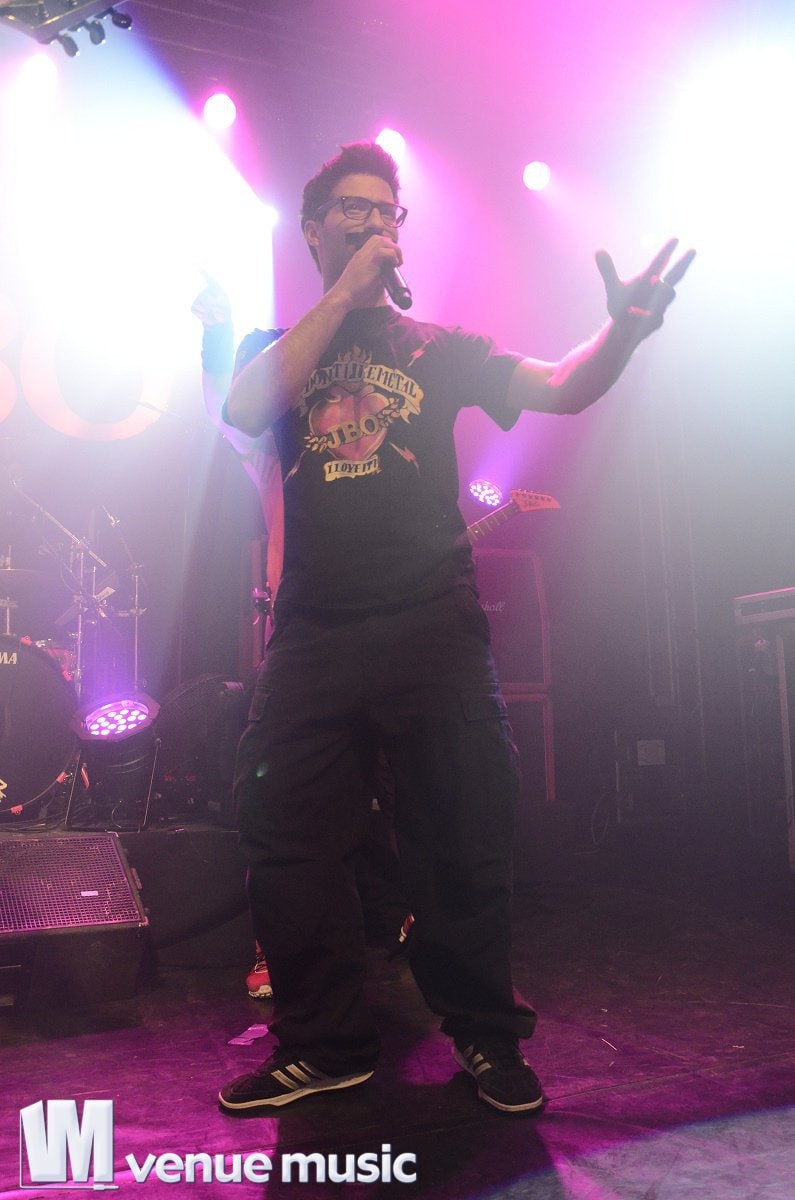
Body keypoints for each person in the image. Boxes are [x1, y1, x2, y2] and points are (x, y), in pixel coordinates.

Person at [217, 140, 694, 1116]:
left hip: (430, 621)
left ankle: (483, 1033)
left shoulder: (442, 348)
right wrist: (344, 296)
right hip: (314, 629)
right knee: (286, 834)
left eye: (385, 211)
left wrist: (621, 336)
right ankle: (325, 1044)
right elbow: (245, 405)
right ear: (313, 230)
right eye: (352, 209)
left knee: (461, 835)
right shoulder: (278, 344)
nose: (373, 223)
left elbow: (560, 384)